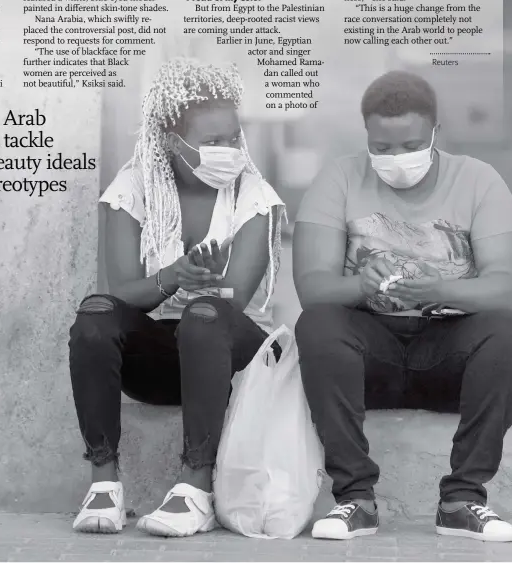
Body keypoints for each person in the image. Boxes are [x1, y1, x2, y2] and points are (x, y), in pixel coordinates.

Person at [68, 58, 286, 537]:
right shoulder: (134, 188)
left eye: (233, 137)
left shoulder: (254, 195)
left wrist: (198, 286)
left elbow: (239, 297)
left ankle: (195, 487)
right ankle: (104, 484)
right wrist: (175, 276)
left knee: (206, 314)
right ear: (172, 142)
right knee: (95, 314)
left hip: (231, 363)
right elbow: (120, 293)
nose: (229, 150)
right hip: (159, 361)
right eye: (213, 142)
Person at [293, 70, 512, 542]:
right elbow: (312, 287)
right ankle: (355, 499)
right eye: (383, 148)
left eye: (410, 145)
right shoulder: (339, 178)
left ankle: (463, 499)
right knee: (318, 324)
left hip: (451, 352)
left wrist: (440, 290)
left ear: (436, 133)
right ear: (367, 136)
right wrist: (360, 286)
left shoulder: (478, 180)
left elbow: (505, 286)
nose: (396, 159)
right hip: (372, 352)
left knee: (507, 330)